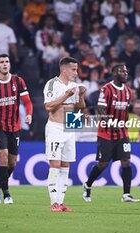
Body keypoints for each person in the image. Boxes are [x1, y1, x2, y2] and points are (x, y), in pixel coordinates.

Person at [82, 64, 140, 203]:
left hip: (122, 133)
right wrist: (110, 123)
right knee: (103, 164)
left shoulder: (127, 91)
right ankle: (88, 185)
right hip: (106, 133)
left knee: (126, 161)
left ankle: (126, 194)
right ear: (114, 73)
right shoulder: (106, 89)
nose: (126, 74)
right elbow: (101, 109)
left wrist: (124, 123)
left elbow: (125, 110)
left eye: (126, 71)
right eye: (122, 71)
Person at [0, 54, 33, 204]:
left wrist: (29, 114)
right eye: (2, 62)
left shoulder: (18, 81)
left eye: (7, 62)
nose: (5, 64)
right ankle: (7, 194)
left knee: (12, 163)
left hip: (15, 127)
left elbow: (28, 102)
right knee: (2, 156)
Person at [43, 57, 86, 212]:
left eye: (76, 69)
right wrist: (66, 96)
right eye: (73, 69)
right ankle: (53, 203)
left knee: (66, 165)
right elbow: (48, 106)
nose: (76, 72)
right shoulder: (52, 84)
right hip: (55, 127)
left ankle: (61, 203)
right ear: (64, 70)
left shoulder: (75, 86)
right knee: (54, 165)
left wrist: (81, 96)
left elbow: (80, 109)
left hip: (70, 127)